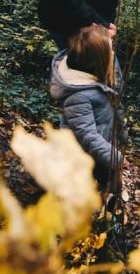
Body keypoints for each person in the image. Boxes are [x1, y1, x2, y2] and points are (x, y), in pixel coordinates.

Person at [50, 23, 128, 191]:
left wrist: (122, 133)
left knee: (109, 183)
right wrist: (115, 157)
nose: (113, 54)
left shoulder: (99, 77)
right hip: (81, 154)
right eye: (110, 51)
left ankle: (106, 206)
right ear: (99, 62)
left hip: (101, 146)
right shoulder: (78, 96)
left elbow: (116, 100)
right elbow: (87, 134)